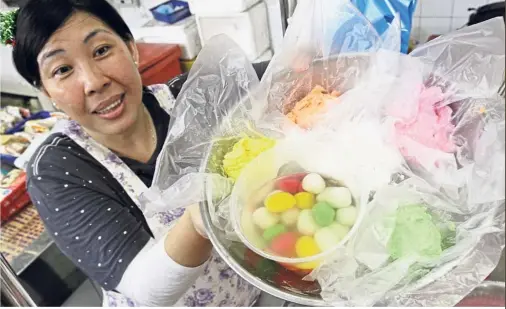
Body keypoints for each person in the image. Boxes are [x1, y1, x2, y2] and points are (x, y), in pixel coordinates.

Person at [6, 0, 264, 306]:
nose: (93, 81)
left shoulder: (190, 98)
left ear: (131, 48)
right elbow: (147, 288)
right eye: (62, 70)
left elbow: (287, 71)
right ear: (47, 92)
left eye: (101, 51)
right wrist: (199, 219)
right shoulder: (56, 170)